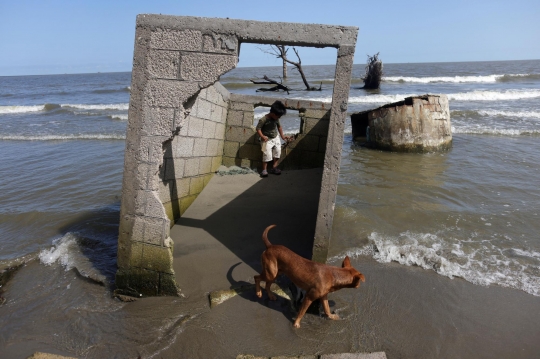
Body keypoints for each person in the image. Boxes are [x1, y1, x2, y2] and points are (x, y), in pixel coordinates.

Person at [255, 100, 292, 177]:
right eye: (278, 116)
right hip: (266, 139)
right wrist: (262, 136)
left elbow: (279, 127)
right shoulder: (263, 119)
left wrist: (282, 136)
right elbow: (258, 129)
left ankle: (274, 168)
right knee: (266, 154)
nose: (279, 117)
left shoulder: (276, 119)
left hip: (275, 137)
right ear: (272, 113)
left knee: (278, 152)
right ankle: (264, 170)